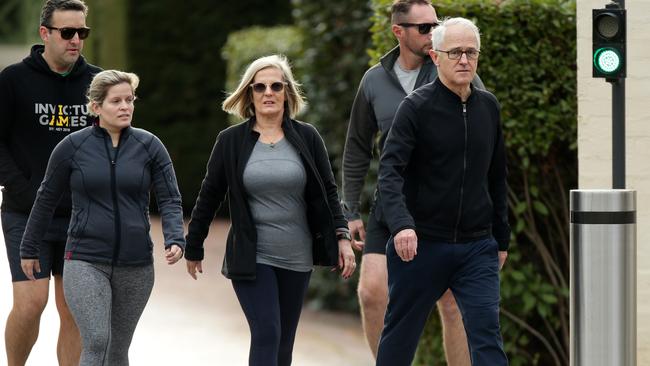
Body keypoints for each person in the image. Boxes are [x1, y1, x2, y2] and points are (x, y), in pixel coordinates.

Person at [184, 54, 356, 366]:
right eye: (259, 86)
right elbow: (210, 195)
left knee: (283, 345)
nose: (268, 92)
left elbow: (328, 191)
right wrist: (193, 245)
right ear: (248, 94)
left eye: (276, 85)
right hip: (252, 256)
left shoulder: (307, 137)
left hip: (296, 256)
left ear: (287, 92)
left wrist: (342, 236)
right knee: (267, 332)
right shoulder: (231, 141)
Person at [342, 0, 483, 363]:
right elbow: (357, 147)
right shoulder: (374, 80)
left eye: (436, 24)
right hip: (391, 204)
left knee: (452, 305)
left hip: (445, 207)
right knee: (372, 293)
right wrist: (350, 209)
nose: (433, 32)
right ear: (398, 32)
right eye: (424, 28)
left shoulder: (452, 68)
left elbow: (481, 133)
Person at [19, 70, 185, 365]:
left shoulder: (150, 146)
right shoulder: (72, 147)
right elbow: (46, 199)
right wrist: (29, 247)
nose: (125, 107)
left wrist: (175, 237)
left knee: (118, 349)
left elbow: (170, 198)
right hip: (84, 258)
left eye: (129, 100)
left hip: (136, 264)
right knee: (96, 341)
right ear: (96, 107)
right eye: (116, 101)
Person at [375, 17, 509, 366]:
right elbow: (389, 172)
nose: (464, 60)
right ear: (436, 57)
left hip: (476, 247)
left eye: (471, 52)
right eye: (455, 52)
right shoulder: (416, 108)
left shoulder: (488, 107)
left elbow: (497, 176)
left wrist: (502, 238)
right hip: (421, 245)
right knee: (400, 338)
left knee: (487, 335)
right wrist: (402, 224)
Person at [0, 0, 99, 364]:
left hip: (82, 217)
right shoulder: (12, 81)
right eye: (67, 32)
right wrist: (25, 192)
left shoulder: (98, 83)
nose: (76, 40)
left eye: (82, 33)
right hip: (26, 214)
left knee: (73, 309)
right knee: (31, 303)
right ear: (45, 34)